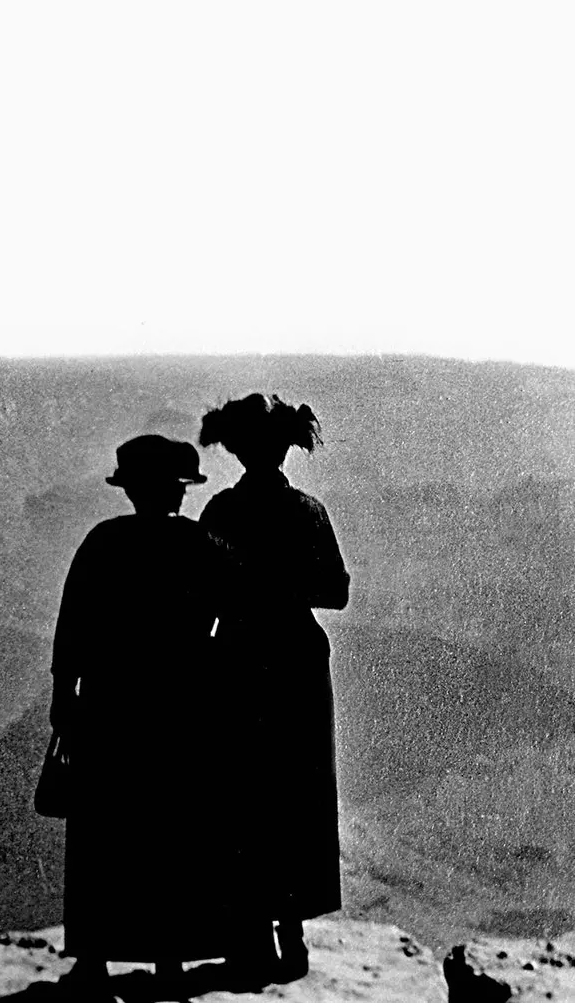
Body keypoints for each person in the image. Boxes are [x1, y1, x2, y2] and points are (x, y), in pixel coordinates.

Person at [49, 435, 268, 998]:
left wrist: (63, 694)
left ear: (130, 490)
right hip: (183, 708)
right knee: (176, 834)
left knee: (104, 835)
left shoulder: (102, 542)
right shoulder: (200, 544)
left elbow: (72, 625)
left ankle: (94, 960)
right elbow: (237, 611)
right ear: (179, 490)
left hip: (111, 705)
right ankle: (171, 961)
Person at [197, 393, 350, 984]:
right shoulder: (309, 513)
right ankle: (293, 933)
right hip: (295, 663)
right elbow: (335, 591)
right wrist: (286, 586)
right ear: (285, 449)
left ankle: (252, 934)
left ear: (235, 450)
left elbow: (201, 594)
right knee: (297, 794)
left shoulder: (220, 514)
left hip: (235, 662)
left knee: (240, 794)